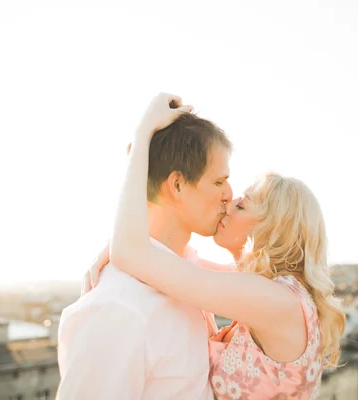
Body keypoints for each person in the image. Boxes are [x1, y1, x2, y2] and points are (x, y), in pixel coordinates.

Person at [85, 93, 346, 399]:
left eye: (242, 206)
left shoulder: (275, 300)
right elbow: (172, 260)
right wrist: (124, 243)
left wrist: (143, 134)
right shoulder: (271, 291)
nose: (229, 199)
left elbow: (133, 254)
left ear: (270, 229)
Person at [56, 93, 233, 399]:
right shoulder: (117, 310)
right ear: (177, 185)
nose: (230, 194)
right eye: (219, 182)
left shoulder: (189, 275)